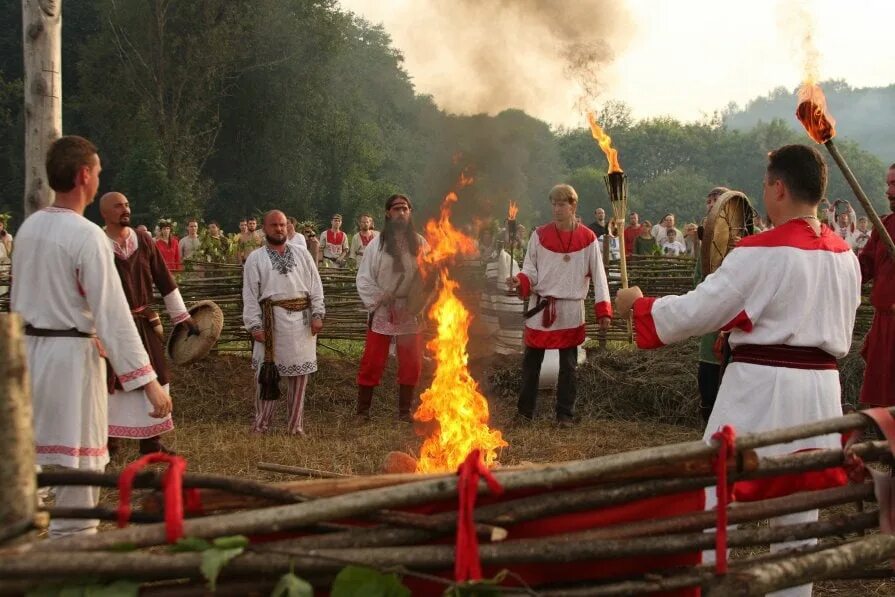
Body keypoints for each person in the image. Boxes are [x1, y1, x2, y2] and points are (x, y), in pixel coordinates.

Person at [616, 145, 861, 597]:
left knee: (712, 494)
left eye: (767, 185)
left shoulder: (759, 251)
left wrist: (641, 306)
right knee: (799, 513)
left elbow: (699, 309)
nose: (764, 193)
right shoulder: (845, 255)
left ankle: (700, 587)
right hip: (823, 393)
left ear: (779, 187)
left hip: (762, 388)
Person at [11, 136, 172, 537]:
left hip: (28, 357)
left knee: (25, 464)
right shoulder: (87, 236)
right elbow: (114, 315)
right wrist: (150, 384)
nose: (99, 179)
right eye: (97, 172)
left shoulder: (29, 228)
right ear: (84, 175)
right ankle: (71, 553)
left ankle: (21, 548)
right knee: (80, 471)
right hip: (70, 360)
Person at [506, 184, 612, 427]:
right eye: (553, 204)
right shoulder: (539, 235)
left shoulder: (588, 238)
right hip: (541, 307)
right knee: (531, 364)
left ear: (573, 205)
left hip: (570, 311)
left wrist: (603, 310)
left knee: (569, 367)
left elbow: (599, 275)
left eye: (561, 204)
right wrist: (520, 280)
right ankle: (524, 414)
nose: (556, 209)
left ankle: (565, 415)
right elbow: (530, 269)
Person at [100, 192, 197, 454]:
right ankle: (110, 442)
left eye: (127, 204)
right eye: (118, 206)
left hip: (143, 322)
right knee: (112, 382)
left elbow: (164, 279)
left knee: (155, 376)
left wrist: (183, 317)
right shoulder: (97, 243)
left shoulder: (143, 240)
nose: (125, 209)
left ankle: (151, 441)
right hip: (112, 326)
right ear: (105, 213)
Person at [243, 210, 325, 435]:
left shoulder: (302, 254)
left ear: (288, 226)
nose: (279, 229)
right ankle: (261, 424)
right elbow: (250, 295)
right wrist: (255, 325)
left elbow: (315, 286)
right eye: (274, 225)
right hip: (272, 321)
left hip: (302, 322)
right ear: (264, 228)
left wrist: (318, 314)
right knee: (266, 374)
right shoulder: (256, 258)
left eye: (282, 225)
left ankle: (295, 427)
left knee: (299, 377)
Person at [355, 194, 429, 421]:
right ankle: (363, 412)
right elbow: (364, 277)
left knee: (412, 363)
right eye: (396, 209)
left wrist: (419, 301)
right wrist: (380, 295)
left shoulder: (420, 243)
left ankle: (404, 413)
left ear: (410, 212)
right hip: (383, 309)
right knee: (372, 361)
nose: (401, 213)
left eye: (405, 209)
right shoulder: (376, 245)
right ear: (388, 213)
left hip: (409, 310)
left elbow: (429, 280)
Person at [857, 163, 895, 408]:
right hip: (884, 325)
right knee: (882, 404)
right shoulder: (884, 226)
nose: (889, 191)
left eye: (894, 184)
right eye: (888, 184)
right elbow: (862, 268)